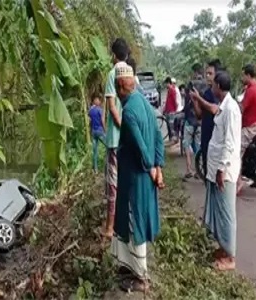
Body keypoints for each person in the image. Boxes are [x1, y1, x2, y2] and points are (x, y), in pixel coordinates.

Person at [111, 62, 165, 292]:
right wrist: (159, 165)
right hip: (141, 175)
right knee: (130, 221)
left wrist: (152, 169)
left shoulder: (129, 111)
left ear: (121, 86)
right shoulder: (142, 101)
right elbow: (157, 135)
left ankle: (142, 279)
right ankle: (128, 266)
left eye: (116, 89)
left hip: (137, 178)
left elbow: (142, 146)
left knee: (136, 224)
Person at [193, 71, 241, 271]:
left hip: (224, 171)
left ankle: (230, 257)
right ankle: (223, 248)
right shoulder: (224, 106)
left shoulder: (231, 109)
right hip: (215, 169)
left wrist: (221, 169)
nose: (211, 88)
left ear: (219, 87)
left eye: (213, 85)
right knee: (218, 211)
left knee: (226, 213)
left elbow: (229, 143)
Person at [102, 38, 130, 238]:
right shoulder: (130, 73)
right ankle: (124, 223)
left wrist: (122, 126)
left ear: (113, 55)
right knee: (126, 179)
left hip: (115, 138)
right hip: (128, 139)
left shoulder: (113, 74)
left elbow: (112, 107)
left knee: (113, 182)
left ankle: (110, 228)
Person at [236, 63, 256, 194]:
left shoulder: (250, 90)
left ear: (248, 75)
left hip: (249, 127)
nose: (242, 77)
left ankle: (238, 182)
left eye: (243, 75)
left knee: (236, 153)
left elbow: (241, 109)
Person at [191, 59, 222, 178]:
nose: (207, 77)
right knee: (207, 173)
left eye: (210, 74)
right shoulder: (206, 93)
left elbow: (214, 110)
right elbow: (199, 115)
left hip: (216, 140)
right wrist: (195, 101)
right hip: (206, 137)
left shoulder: (219, 94)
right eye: (207, 74)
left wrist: (199, 99)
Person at [182, 85, 201, 179]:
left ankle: (189, 169)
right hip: (198, 124)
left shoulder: (188, 98)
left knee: (186, 145)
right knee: (197, 147)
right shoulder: (200, 97)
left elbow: (186, 111)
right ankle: (198, 170)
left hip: (189, 123)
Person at [88, 95, 105, 172]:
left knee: (95, 151)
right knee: (109, 146)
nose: (99, 101)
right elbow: (102, 120)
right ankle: (109, 164)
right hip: (100, 131)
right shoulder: (99, 110)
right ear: (96, 101)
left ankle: (95, 169)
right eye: (98, 100)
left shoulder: (90, 111)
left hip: (93, 132)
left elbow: (90, 121)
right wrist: (105, 129)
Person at [163, 76, 177, 142]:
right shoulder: (169, 90)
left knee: (172, 126)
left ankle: (174, 140)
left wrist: (175, 109)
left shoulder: (172, 90)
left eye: (166, 83)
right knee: (169, 125)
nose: (165, 85)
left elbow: (174, 101)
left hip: (171, 111)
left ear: (168, 83)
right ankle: (171, 139)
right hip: (168, 111)